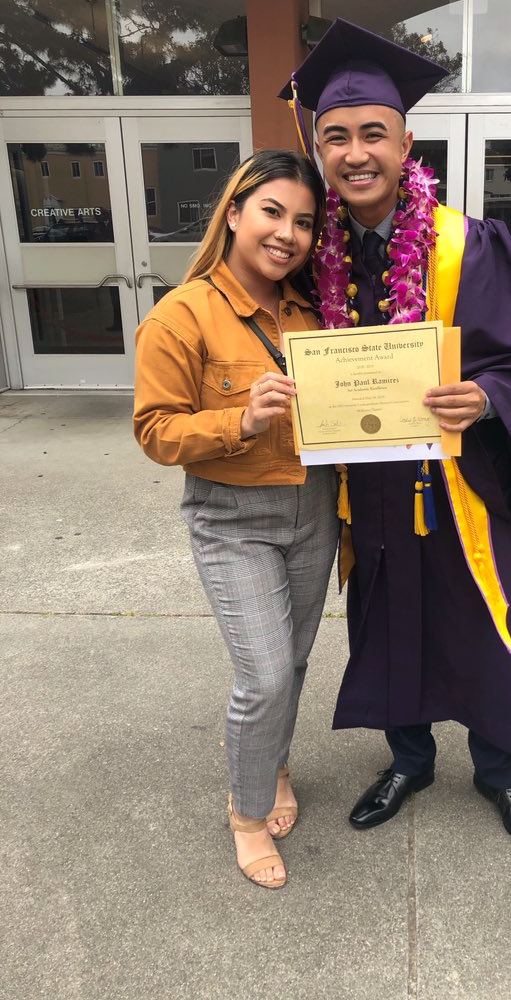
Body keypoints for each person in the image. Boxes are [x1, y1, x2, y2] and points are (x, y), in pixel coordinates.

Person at [278, 20, 511, 853]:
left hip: (460, 482)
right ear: (320, 150)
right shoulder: (310, 254)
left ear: (406, 143)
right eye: (336, 137)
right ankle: (408, 760)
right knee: (386, 621)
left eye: (373, 132)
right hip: (369, 489)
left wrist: (487, 397)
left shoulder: (467, 246)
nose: (355, 153)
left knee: (481, 621)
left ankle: (498, 770)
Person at [133, 150, 338, 887]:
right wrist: (240, 421)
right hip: (232, 518)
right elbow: (155, 431)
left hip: (315, 509)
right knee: (266, 674)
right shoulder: (181, 315)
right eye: (272, 212)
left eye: (304, 223)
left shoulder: (311, 311)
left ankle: (274, 765)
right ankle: (247, 816)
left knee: (296, 659)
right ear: (234, 212)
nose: (287, 234)